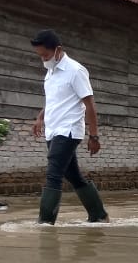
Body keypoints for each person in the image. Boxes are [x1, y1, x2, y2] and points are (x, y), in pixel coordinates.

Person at [30, 30, 109, 224]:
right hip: (54, 130)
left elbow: (89, 104)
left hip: (69, 130)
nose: (43, 59)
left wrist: (94, 136)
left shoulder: (76, 71)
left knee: (53, 173)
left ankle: (45, 224)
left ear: (58, 50)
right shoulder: (50, 73)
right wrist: (41, 117)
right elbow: (54, 100)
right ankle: (99, 215)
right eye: (40, 56)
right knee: (73, 175)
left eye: (45, 55)